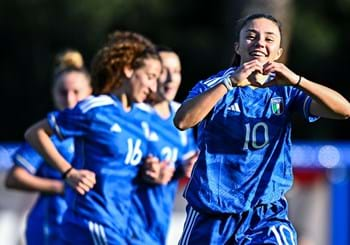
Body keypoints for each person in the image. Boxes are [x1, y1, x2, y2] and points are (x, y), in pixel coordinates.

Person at [173, 13, 350, 244]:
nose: (260, 43)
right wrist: (230, 83)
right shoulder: (215, 85)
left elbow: (344, 110)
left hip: (265, 214)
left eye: (269, 38)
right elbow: (183, 121)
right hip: (212, 213)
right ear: (237, 47)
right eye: (251, 36)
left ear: (278, 52)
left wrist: (298, 81)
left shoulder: (286, 90)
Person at [24, 30, 162, 245]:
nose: (154, 87)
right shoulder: (96, 109)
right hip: (92, 221)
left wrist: (152, 168)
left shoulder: (143, 116)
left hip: (122, 223)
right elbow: (35, 133)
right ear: (128, 70)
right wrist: (69, 172)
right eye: (150, 77)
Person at [5, 49, 92, 245]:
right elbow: (14, 177)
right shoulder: (48, 132)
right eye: (63, 92)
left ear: (90, 91)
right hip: (51, 227)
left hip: (83, 225)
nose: (70, 99)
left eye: (76, 92)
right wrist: (61, 186)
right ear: (53, 92)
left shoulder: (96, 128)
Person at [127, 46, 198, 245]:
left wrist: (189, 167)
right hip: (127, 223)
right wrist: (143, 171)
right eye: (163, 72)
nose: (170, 78)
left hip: (159, 223)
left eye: (176, 72)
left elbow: (188, 162)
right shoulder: (133, 115)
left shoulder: (182, 116)